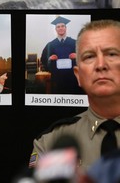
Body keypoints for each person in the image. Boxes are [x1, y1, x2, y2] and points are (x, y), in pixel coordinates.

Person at [29, 19, 120, 173]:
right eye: (89, 56)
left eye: (111, 54)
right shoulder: (51, 142)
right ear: (78, 75)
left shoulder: (72, 42)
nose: (100, 65)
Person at [40, 16, 83, 94]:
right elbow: (43, 60)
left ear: (66, 28)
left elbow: (86, 57)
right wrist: (49, 59)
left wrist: (78, 56)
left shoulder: (75, 43)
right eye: (58, 27)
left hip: (73, 78)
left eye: (62, 26)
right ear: (56, 29)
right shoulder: (50, 45)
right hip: (57, 79)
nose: (60, 28)